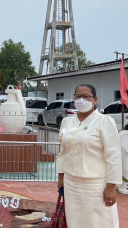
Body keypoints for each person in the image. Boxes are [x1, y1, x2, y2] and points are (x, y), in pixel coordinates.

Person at [57, 84, 122, 228]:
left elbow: (114, 156)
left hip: (95, 185)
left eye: (86, 96)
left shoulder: (104, 121)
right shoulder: (67, 122)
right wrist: (61, 177)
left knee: (101, 222)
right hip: (71, 183)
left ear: (95, 100)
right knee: (75, 222)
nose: (81, 100)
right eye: (78, 96)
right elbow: (63, 152)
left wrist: (111, 186)